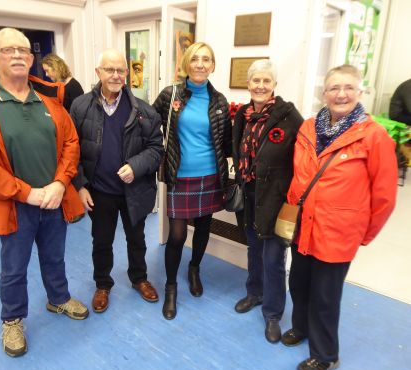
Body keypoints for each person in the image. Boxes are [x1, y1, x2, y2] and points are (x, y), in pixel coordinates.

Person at [0, 28, 89, 358]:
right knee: (14, 267)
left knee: (54, 256)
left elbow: (71, 144)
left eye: (23, 50)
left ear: (32, 59)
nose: (17, 55)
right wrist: (26, 193)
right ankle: (12, 319)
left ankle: (58, 299)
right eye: (8, 50)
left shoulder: (49, 97)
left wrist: (60, 183)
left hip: (55, 201)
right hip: (15, 205)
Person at [281, 64, 398, 370]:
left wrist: (362, 233)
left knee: (325, 295)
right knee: (299, 283)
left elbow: (385, 196)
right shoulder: (307, 127)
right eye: (334, 88)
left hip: (338, 232)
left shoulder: (374, 137)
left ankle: (326, 354)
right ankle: (301, 328)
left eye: (348, 88)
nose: (341, 94)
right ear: (324, 93)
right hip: (304, 224)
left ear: (360, 92)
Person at [70, 48, 163, 314]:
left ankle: (139, 278)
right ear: (98, 72)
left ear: (127, 74)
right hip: (99, 192)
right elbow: (69, 150)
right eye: (109, 69)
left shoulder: (144, 110)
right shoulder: (80, 106)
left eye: (120, 70)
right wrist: (79, 185)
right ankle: (102, 284)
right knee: (101, 241)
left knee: (137, 239)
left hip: (134, 190)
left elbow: (156, 149)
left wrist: (136, 166)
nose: (115, 75)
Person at [153, 42, 232, 320]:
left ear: (212, 65)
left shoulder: (219, 100)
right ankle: (171, 287)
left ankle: (195, 268)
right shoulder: (170, 94)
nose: (200, 64)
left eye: (206, 59)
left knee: (203, 227)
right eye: (195, 59)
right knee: (176, 235)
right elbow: (150, 127)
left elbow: (228, 142)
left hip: (210, 175)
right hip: (179, 176)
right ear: (187, 63)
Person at [231, 59, 303, 343]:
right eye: (256, 81)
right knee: (254, 249)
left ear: (274, 85)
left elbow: (301, 160)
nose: (260, 86)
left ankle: (273, 314)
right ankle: (254, 293)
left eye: (266, 81)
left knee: (274, 258)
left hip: (276, 199)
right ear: (249, 84)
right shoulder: (243, 115)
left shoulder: (289, 117)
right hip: (249, 195)